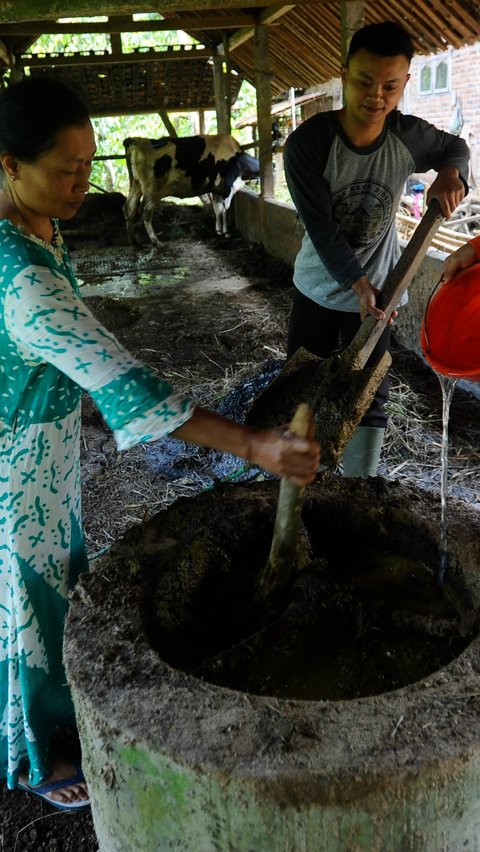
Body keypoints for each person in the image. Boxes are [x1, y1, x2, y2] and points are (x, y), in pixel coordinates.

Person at [0, 77, 320, 811]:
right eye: (65, 170)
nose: (84, 184)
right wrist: (254, 446)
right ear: (10, 163)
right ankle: (38, 755)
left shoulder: (29, 228)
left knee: (46, 585)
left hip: (38, 444)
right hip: (18, 468)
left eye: (89, 165)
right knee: (29, 601)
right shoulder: (21, 279)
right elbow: (124, 382)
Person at [284, 20, 470, 477]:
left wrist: (453, 175)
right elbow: (323, 230)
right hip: (317, 291)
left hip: (384, 294)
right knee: (304, 388)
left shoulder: (407, 136)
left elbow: (457, 148)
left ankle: (357, 487)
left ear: (405, 83)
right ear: (344, 73)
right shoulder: (309, 145)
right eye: (365, 81)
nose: (376, 96)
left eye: (390, 85)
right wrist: (356, 283)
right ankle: (302, 485)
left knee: (367, 394)